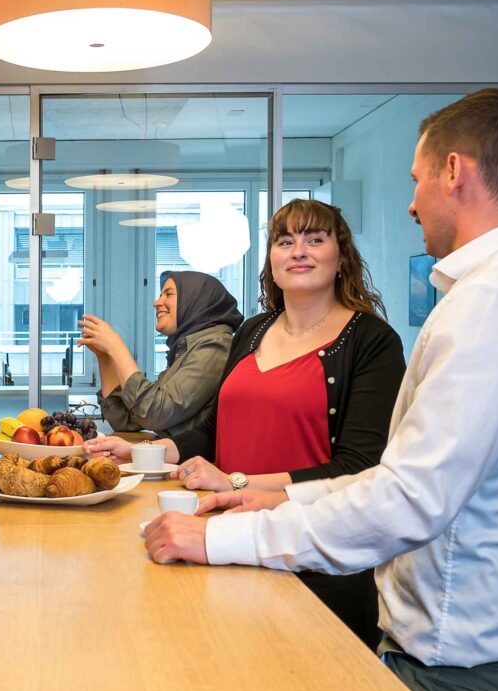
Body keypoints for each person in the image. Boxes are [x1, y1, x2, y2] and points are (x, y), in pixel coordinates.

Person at [144, 88, 498, 691]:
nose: (413, 203)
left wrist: (232, 533)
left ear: (454, 171)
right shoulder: (490, 295)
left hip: (467, 664)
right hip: (447, 653)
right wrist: (260, 494)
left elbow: (404, 496)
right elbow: (401, 476)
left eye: (416, 179)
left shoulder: (491, 305)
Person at [88, 200, 405, 644]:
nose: (298, 251)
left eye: (315, 240)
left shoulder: (372, 342)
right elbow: (212, 432)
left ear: (341, 258)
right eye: (285, 241)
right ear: (271, 262)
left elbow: (359, 468)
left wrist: (237, 484)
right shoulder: (252, 331)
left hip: (313, 563)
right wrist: (143, 452)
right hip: (226, 538)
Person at [79, 270, 241, 445]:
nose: (156, 302)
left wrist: (116, 346)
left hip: (191, 467)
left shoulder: (215, 346)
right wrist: (105, 355)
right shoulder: (188, 349)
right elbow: (124, 419)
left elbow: (154, 414)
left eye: (169, 294)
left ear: (196, 300)